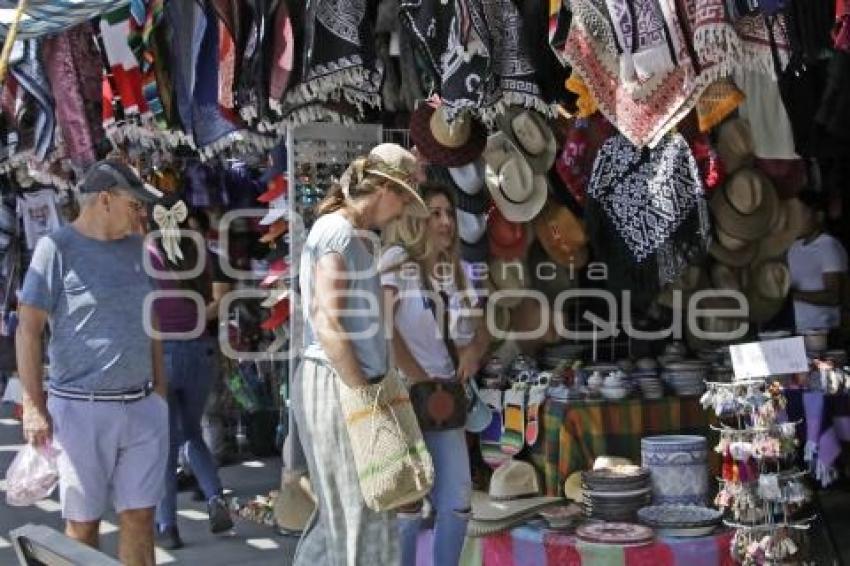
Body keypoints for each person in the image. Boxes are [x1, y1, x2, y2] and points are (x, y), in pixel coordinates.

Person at [17, 159, 167, 566]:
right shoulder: (57, 248)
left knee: (140, 517)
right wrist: (33, 405)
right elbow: (28, 328)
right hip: (81, 409)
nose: (141, 214)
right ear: (105, 199)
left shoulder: (138, 249)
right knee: (82, 525)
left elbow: (150, 318)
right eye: (135, 204)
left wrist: (160, 392)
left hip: (141, 407)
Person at [291, 143, 427, 565]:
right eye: (403, 196)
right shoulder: (339, 233)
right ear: (383, 187)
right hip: (339, 384)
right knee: (359, 516)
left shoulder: (347, 235)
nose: (404, 208)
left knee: (347, 515)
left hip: (339, 380)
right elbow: (328, 322)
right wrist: (366, 400)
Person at [380, 182, 489, 566]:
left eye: (449, 214)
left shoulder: (458, 270)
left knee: (458, 499)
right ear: (416, 218)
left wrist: (472, 354)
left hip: (446, 401)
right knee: (408, 502)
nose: (445, 222)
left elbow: (480, 331)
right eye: (435, 213)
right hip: (406, 397)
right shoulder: (397, 261)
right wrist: (417, 375)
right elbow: (384, 328)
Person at [147, 202, 233, 549]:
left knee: (165, 447)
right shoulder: (201, 253)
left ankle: (168, 526)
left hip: (162, 353)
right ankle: (215, 499)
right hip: (200, 350)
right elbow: (217, 300)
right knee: (192, 433)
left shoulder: (147, 255)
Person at [788, 190, 848, 339]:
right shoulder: (793, 247)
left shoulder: (828, 246)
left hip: (825, 332)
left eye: (801, 213)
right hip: (797, 330)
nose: (795, 219)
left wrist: (792, 296)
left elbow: (834, 296)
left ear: (819, 216)